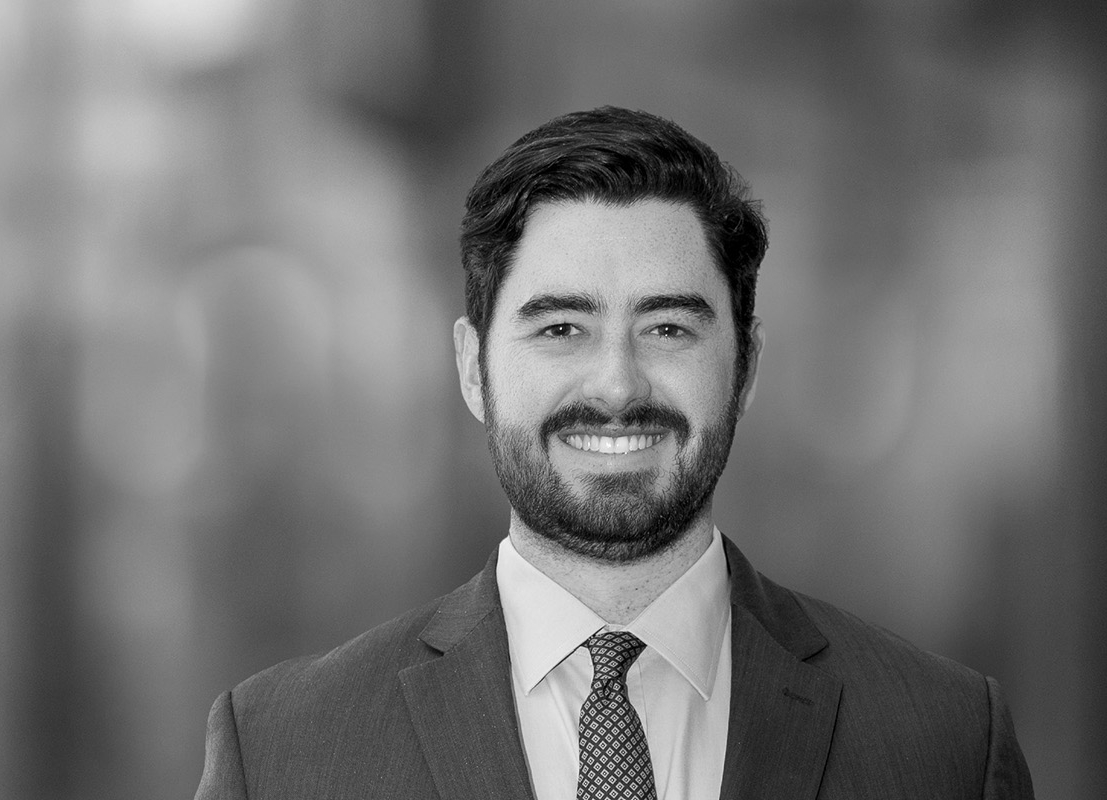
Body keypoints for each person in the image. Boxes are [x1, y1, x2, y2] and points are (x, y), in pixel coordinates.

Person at [194, 107, 1034, 799]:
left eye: (667, 328)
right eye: (562, 328)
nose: (617, 384)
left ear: (745, 367)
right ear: (472, 368)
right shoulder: (282, 753)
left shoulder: (945, 743)